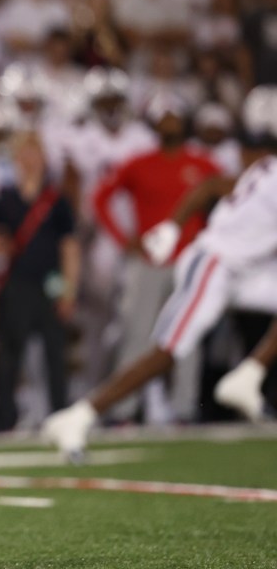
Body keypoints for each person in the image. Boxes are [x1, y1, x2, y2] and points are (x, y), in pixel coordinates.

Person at [43, 86, 277, 457]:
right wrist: (169, 229)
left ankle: (248, 375)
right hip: (214, 264)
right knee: (167, 350)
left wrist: (171, 227)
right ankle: (79, 415)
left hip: (242, 271)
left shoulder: (263, 166)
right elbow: (210, 187)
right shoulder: (265, 167)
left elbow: (214, 185)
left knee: (173, 347)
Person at [91, 93, 220, 423]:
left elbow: (230, 196)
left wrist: (211, 238)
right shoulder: (139, 163)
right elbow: (101, 198)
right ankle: (122, 411)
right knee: (136, 336)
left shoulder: (202, 163)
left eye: (174, 116)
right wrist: (124, 240)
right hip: (148, 261)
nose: (169, 122)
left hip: (189, 262)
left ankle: (184, 409)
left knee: (187, 335)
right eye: (163, 117)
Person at [0, 132, 80, 432]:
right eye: (25, 154)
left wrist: (69, 290)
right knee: (9, 355)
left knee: (55, 354)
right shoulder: (4, 198)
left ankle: (61, 415)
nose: (30, 160)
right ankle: (3, 419)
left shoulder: (56, 200)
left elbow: (69, 247)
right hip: (16, 284)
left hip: (50, 283)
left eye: (35, 153)